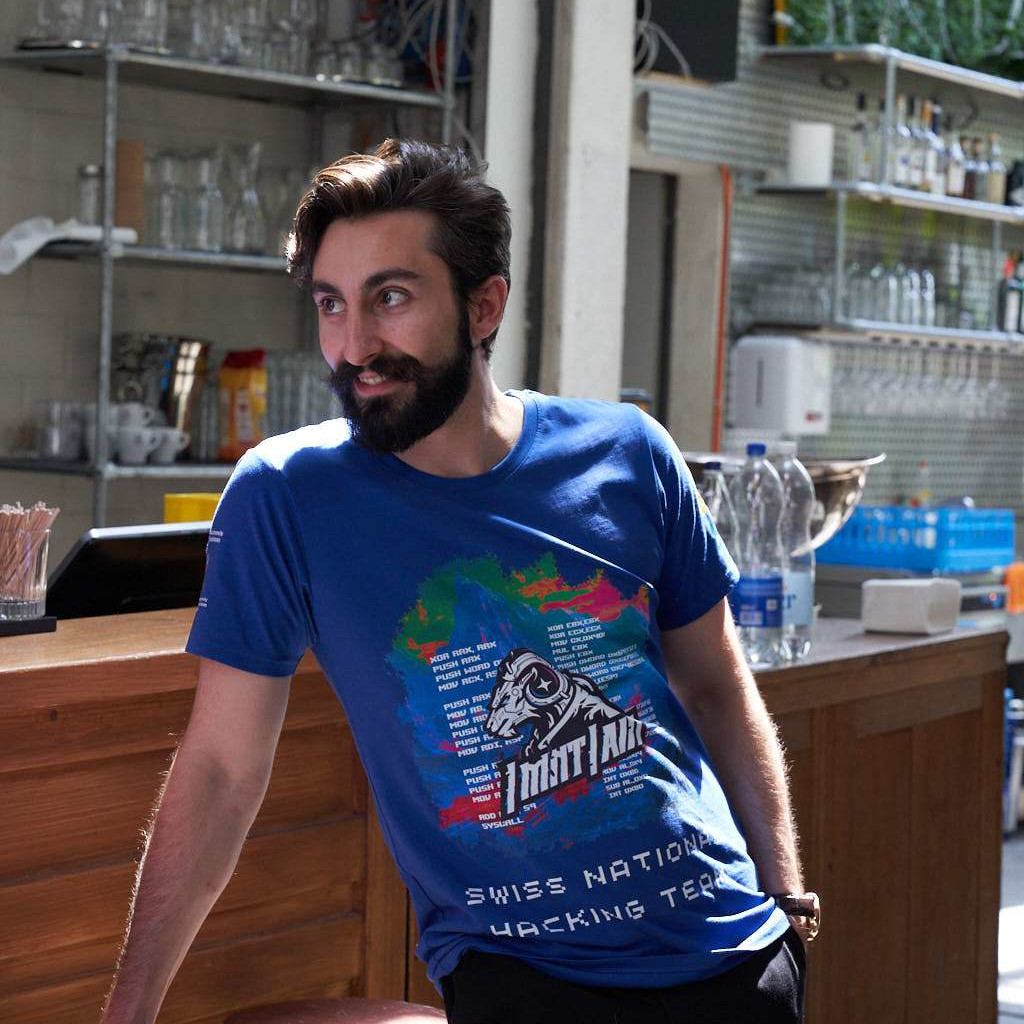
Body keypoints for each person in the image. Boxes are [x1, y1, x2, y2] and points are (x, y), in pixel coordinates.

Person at [100, 138, 818, 1024]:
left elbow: (715, 685)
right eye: (330, 303)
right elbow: (219, 769)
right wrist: (127, 1014)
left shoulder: (629, 451)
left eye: (390, 298)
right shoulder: (287, 496)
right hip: (523, 974)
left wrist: (786, 905)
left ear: (485, 306)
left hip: (735, 958)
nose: (354, 346)